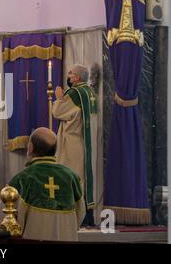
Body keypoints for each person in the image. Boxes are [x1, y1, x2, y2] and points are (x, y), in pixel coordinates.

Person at [8, 128, 85, 242]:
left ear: (30, 148)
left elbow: (8, 221)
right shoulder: (72, 178)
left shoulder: (22, 179)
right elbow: (80, 213)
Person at [53, 64, 99, 225]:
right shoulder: (90, 93)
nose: (68, 76)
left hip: (72, 142)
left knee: (71, 177)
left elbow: (58, 113)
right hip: (88, 143)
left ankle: (74, 216)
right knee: (84, 178)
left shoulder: (74, 93)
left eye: (71, 74)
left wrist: (59, 98)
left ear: (78, 77)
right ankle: (88, 216)